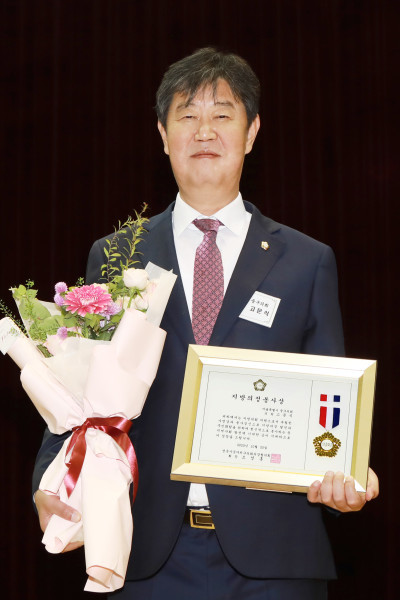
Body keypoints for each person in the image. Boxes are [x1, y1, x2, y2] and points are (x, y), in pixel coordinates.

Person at [34, 48, 379, 599]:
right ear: (163, 135)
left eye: (222, 114)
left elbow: (331, 398)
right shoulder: (119, 255)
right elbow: (79, 393)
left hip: (276, 558)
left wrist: (346, 470)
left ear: (252, 132)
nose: (204, 131)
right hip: (148, 551)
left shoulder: (307, 261)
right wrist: (53, 480)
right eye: (187, 115)